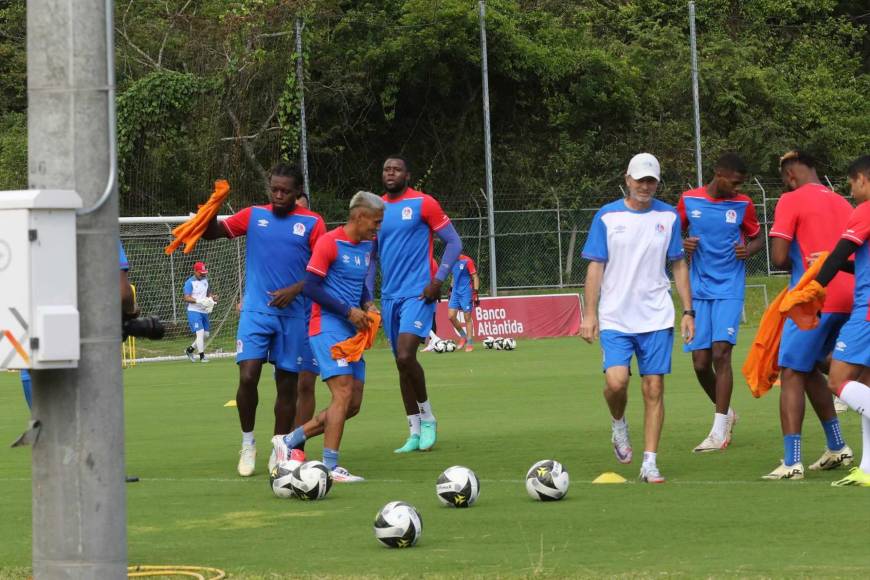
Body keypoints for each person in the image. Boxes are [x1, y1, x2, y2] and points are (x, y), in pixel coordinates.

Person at [203, 163, 326, 477]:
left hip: (294, 315)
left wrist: (295, 289)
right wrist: (212, 207)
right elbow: (212, 232)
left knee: (287, 385)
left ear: (298, 192)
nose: (279, 195)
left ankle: (279, 448)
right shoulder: (254, 215)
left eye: (286, 190)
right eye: (275, 189)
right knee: (247, 376)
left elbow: (322, 270)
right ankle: (248, 443)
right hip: (256, 312)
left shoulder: (313, 223)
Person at [580, 152, 694, 484]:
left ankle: (650, 462)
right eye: (640, 180)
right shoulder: (607, 216)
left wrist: (688, 311)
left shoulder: (669, 217)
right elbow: (595, 267)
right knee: (616, 383)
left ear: (657, 183)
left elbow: (678, 265)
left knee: (654, 387)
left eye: (651, 181)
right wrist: (589, 314)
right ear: (627, 180)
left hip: (656, 317)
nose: (645, 186)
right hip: (615, 317)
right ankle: (618, 424)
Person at [273, 191, 383, 482]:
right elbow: (310, 287)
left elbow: (358, 283)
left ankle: (288, 440)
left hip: (352, 331)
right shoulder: (329, 242)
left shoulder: (367, 245)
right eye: (376, 221)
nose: (378, 227)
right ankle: (331, 467)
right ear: (359, 216)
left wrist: (368, 304)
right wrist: (348, 311)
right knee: (342, 393)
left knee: (352, 403)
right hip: (326, 326)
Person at [762, 150, 854, 480]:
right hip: (851, 295)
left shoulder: (790, 200)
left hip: (814, 297)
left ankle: (792, 462)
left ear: (789, 176)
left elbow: (779, 257)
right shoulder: (843, 202)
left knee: (790, 372)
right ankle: (837, 446)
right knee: (812, 365)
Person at [374, 155, 462, 453]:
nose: (391, 173)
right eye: (387, 169)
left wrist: (438, 280)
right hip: (389, 297)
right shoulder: (376, 208)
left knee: (405, 354)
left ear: (407, 175)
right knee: (401, 365)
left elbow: (454, 242)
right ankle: (413, 431)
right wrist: (367, 296)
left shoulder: (424, 203)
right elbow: (371, 256)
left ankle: (428, 417)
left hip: (419, 293)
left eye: (397, 169)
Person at [677, 153, 763, 451]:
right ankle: (727, 414)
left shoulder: (743, 204)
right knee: (701, 364)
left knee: (721, 354)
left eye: (741, 184)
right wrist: (683, 244)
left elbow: (758, 237)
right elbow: (671, 237)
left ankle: (718, 432)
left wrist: (749, 250)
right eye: (734, 182)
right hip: (698, 290)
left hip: (729, 288)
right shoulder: (689, 200)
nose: (737, 189)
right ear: (718, 174)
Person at [794, 154, 870, 486]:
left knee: (837, 380)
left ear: (863, 179)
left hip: (867, 313)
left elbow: (840, 254)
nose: (851, 190)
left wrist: (812, 290)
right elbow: (853, 262)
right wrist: (830, 262)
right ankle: (868, 469)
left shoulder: (865, 210)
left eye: (852, 183)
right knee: (865, 386)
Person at [292, 191, 319, 461]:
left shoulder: (318, 238)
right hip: (284, 316)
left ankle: (296, 447)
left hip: (311, 316)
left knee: (306, 383)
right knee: (286, 384)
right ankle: (282, 442)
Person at [447, 253, 480, 352]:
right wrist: (450, 289)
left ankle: (469, 342)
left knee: (467, 317)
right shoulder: (451, 260)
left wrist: (476, 292)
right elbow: (454, 276)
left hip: (466, 292)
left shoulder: (467, 261)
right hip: (455, 292)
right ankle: (463, 336)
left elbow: (475, 277)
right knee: (451, 316)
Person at [183, 261, 214, 363]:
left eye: (204, 273)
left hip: (203, 311)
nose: (203, 275)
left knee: (206, 334)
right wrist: (198, 301)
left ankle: (189, 350)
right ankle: (202, 356)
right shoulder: (189, 282)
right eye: (201, 273)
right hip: (194, 310)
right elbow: (186, 298)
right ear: (195, 271)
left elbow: (209, 293)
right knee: (200, 333)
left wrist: (212, 299)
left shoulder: (205, 280)